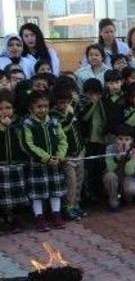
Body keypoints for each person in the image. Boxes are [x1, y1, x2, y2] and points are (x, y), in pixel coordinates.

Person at [21, 90, 67, 231]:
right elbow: (28, 145)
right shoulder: (28, 124)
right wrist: (45, 157)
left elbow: (62, 140)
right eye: (39, 107)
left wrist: (60, 156)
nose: (43, 109)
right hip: (38, 163)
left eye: (45, 106)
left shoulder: (54, 122)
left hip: (55, 162)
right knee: (38, 193)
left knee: (55, 190)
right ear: (31, 108)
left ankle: (56, 215)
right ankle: (39, 218)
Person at [51, 84, 86, 221]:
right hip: (67, 156)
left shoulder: (72, 109)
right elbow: (64, 127)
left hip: (79, 152)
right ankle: (68, 206)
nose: (65, 105)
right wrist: (70, 113)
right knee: (70, 182)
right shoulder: (54, 115)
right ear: (55, 102)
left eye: (67, 102)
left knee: (79, 181)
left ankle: (76, 204)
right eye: (61, 102)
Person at [0, 90, 27, 233]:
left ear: (14, 109)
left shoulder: (18, 124)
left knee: (17, 193)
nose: (4, 111)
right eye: (1, 108)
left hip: (16, 164)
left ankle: (16, 218)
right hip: (1, 165)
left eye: (8, 108)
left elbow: (22, 143)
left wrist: (10, 127)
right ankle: (3, 219)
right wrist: (2, 127)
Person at [103, 124, 135, 211]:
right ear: (115, 139)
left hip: (127, 177)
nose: (123, 142)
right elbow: (110, 168)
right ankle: (113, 200)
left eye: (127, 139)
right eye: (120, 139)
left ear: (131, 140)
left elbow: (129, 172)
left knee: (132, 189)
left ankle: (126, 198)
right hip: (114, 176)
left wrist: (127, 157)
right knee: (110, 176)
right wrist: (118, 157)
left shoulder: (134, 151)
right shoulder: (110, 149)